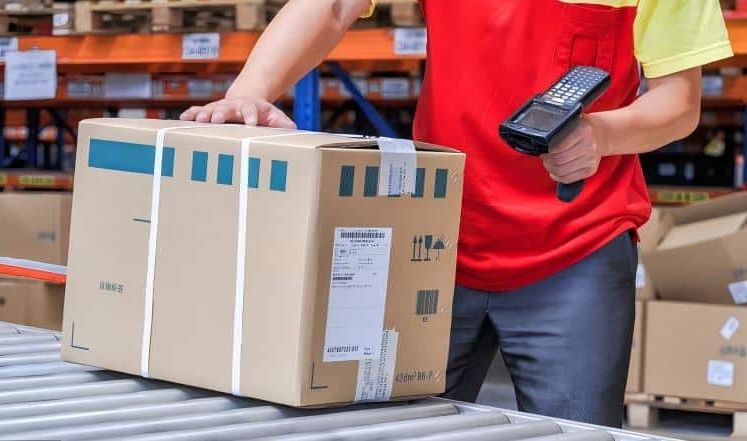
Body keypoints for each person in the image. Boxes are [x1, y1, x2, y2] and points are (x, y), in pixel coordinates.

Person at [181, 0, 733, 427]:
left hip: (576, 247)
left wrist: (602, 134)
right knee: (402, 428)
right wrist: (250, 93)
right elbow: (330, 7)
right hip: (437, 242)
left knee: (578, 432)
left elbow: (679, 102)